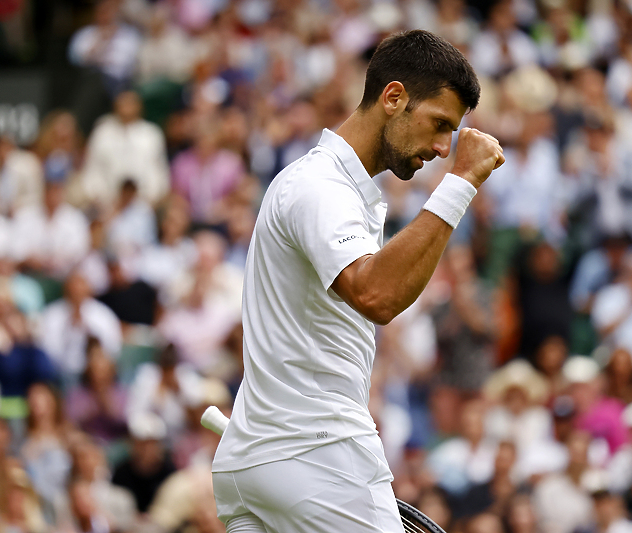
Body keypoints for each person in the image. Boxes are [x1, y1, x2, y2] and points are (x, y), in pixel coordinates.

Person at [211, 29, 504, 533]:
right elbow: (377, 294)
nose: (440, 147)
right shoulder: (320, 187)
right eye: (439, 124)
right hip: (316, 456)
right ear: (393, 98)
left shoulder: (324, 186)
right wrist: (460, 183)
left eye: (450, 135)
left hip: (252, 460)